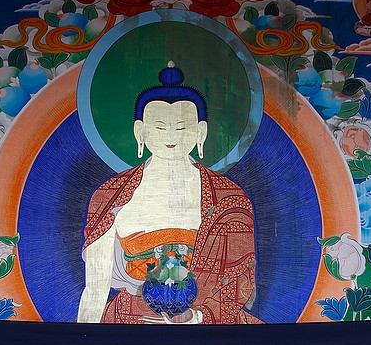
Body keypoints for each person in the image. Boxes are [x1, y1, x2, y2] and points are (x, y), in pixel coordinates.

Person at [77, 62, 260, 324]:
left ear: (201, 132)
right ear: (140, 131)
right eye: (160, 127)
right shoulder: (110, 195)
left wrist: (196, 316)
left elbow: (239, 278)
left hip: (207, 322)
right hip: (130, 320)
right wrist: (84, 337)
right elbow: (96, 285)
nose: (171, 136)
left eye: (183, 127)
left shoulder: (228, 197)